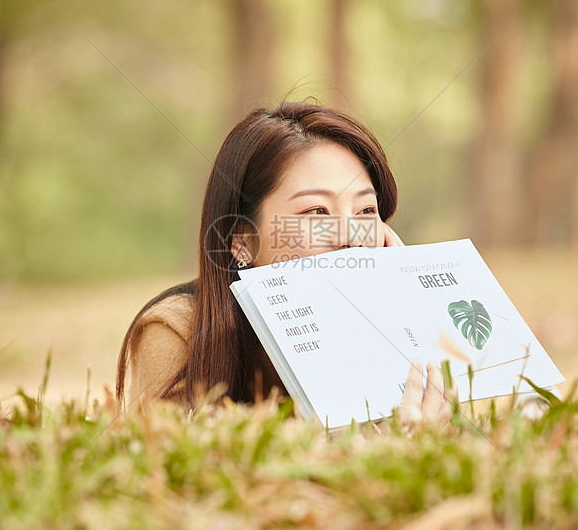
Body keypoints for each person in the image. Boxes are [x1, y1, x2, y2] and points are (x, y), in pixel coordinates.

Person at [115, 99, 453, 427]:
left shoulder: (396, 331)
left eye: (366, 211)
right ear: (242, 240)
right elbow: (177, 466)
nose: (352, 236)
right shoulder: (177, 329)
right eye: (316, 212)